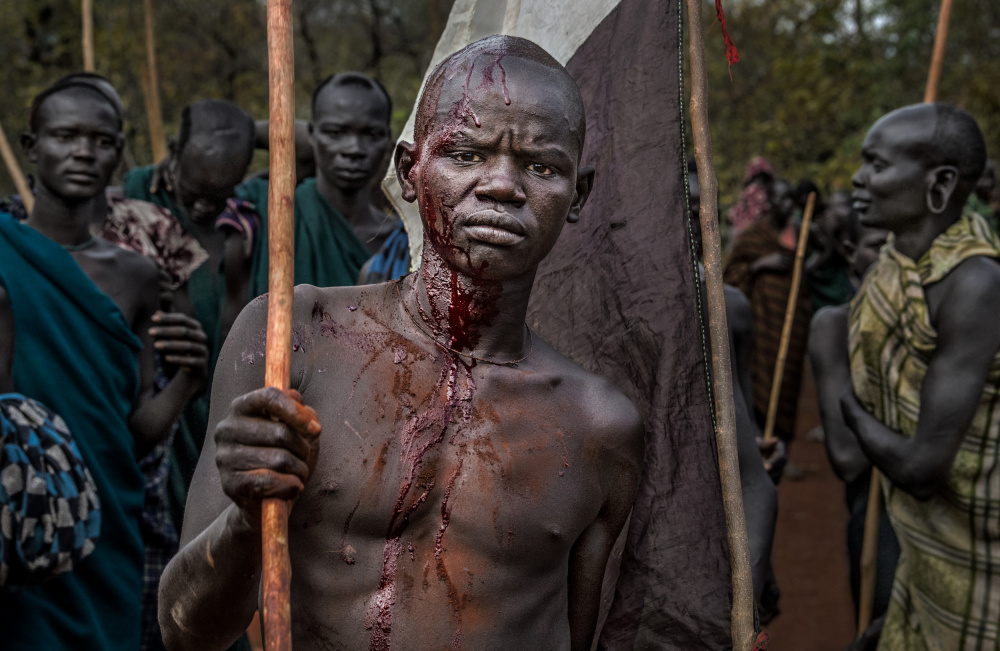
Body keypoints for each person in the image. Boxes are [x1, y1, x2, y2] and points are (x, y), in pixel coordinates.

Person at [159, 35, 644, 651]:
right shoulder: (291, 338)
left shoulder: (599, 428)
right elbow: (185, 632)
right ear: (411, 171)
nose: (501, 186)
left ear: (578, 195)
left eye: (541, 166)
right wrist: (246, 516)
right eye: (465, 155)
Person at [0, 79, 207, 650]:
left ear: (120, 151)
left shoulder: (136, 275)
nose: (83, 152)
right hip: (17, 516)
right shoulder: (2, 253)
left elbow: (137, 432)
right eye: (65, 136)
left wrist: (190, 378)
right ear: (31, 146)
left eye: (100, 140)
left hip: (105, 519)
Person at [839, 103, 1000, 651]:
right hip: (921, 551)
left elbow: (923, 468)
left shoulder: (976, 283)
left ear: (940, 185)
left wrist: (850, 411)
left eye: (876, 164)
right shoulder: (889, 271)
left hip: (981, 553)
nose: (859, 179)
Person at [808, 210, 896, 646]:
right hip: (880, 514)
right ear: (850, 254)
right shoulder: (835, 325)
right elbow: (846, 457)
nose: (893, 257)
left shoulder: (936, 320)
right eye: (880, 245)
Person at [239, 72, 398, 297]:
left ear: (387, 141)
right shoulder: (270, 211)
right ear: (311, 134)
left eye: (371, 134)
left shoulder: (400, 243)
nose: (354, 149)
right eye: (335, 133)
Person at [724, 179, 812, 446]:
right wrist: (759, 265)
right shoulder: (753, 236)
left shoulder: (802, 233)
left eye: (790, 200)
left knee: (787, 383)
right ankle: (759, 442)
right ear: (769, 203)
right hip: (762, 325)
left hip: (792, 321)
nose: (786, 206)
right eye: (780, 199)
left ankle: (782, 445)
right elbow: (729, 276)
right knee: (759, 379)